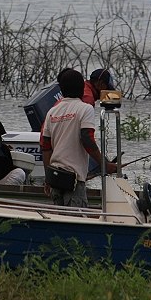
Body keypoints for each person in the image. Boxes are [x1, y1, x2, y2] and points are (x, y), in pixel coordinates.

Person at [40, 68, 117, 208]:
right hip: (73, 180)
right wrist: (104, 164)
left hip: (55, 177)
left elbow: (45, 147)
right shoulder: (86, 107)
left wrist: (48, 178)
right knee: (76, 218)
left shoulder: (52, 111)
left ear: (61, 90)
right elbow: (87, 139)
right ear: (82, 87)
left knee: (60, 220)